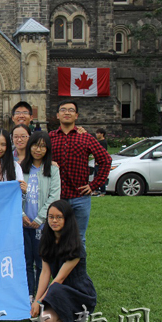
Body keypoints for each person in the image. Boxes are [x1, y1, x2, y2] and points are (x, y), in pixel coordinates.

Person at [30, 200, 96, 322]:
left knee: (56, 288)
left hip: (80, 292)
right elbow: (45, 273)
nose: (54, 221)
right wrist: (36, 300)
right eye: (51, 217)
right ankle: (73, 318)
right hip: (59, 291)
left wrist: (40, 301)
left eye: (59, 217)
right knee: (46, 321)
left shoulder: (76, 246)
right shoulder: (46, 241)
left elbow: (59, 279)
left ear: (67, 219)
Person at [49, 100, 111, 246]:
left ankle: (79, 263)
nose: (67, 113)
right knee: (56, 237)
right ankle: (57, 262)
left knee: (78, 238)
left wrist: (94, 184)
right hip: (57, 196)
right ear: (57, 115)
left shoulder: (86, 137)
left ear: (76, 115)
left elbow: (105, 160)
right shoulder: (50, 137)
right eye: (63, 110)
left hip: (80, 197)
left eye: (71, 110)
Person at [20, 132, 61, 301]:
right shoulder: (20, 168)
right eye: (35, 145)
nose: (38, 150)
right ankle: (28, 293)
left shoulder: (53, 169)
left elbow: (54, 197)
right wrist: (22, 214)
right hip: (23, 223)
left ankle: (40, 294)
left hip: (42, 226)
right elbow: (13, 195)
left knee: (41, 261)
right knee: (26, 260)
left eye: (43, 146)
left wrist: (40, 219)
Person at [92, 128, 109, 197]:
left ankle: (102, 191)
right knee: (96, 177)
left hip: (100, 163)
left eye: (98, 133)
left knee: (100, 177)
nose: (96, 135)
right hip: (97, 162)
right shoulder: (99, 142)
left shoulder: (103, 142)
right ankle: (96, 190)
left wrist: (98, 160)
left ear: (102, 134)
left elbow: (102, 153)